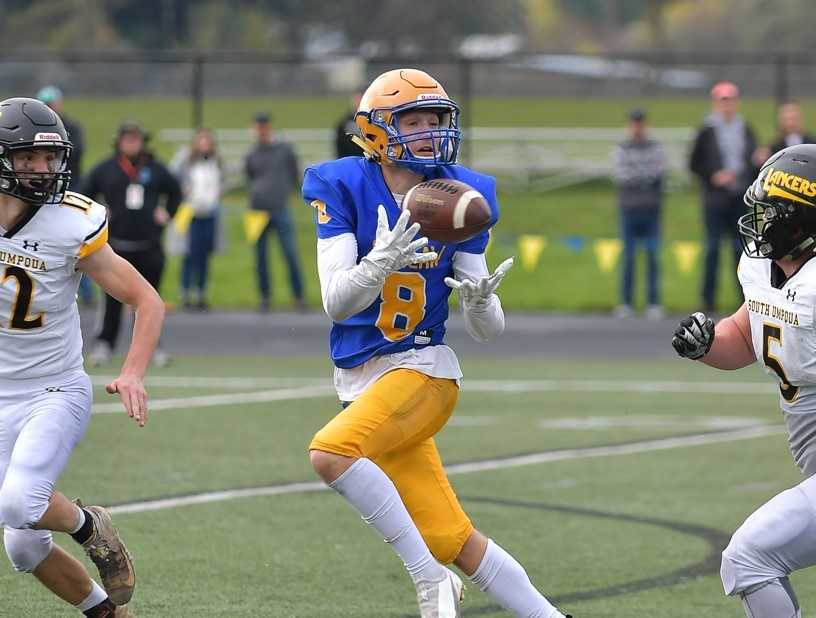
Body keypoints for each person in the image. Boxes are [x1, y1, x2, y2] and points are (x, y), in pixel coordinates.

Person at [302, 68, 571, 618]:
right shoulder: (341, 183)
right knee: (454, 537)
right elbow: (336, 302)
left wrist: (481, 302)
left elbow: (488, 330)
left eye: (436, 119)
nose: (429, 132)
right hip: (363, 379)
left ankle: (429, 580)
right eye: (413, 121)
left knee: (331, 453)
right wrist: (379, 263)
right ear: (376, 129)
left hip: (424, 369)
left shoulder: (463, 194)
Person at [0, 97, 165, 617]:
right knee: (23, 546)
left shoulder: (70, 223)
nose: (42, 169)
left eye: (50, 158)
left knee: (19, 503)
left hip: (52, 389)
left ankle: (91, 526)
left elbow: (147, 300)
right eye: (28, 157)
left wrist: (133, 372)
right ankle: (108, 614)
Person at [672, 143, 816, 618]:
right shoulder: (767, 271)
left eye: (772, 212)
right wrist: (707, 345)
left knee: (749, 558)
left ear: (801, 221)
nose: (760, 220)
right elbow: (746, 334)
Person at [81, 121, 181, 366]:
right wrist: (98, 213)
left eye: (136, 138)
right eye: (127, 138)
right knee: (112, 299)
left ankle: (152, 347)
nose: (131, 143)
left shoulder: (155, 169)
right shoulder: (106, 169)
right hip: (115, 247)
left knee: (149, 298)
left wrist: (167, 213)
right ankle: (105, 344)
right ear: (119, 142)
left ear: (143, 142)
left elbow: (176, 192)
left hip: (149, 245)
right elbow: (84, 193)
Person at [689, 81, 761, 312]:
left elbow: (753, 161)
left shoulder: (745, 128)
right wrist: (713, 175)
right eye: (722, 101)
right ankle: (707, 300)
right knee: (712, 248)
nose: (727, 105)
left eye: (730, 101)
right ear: (715, 103)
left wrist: (743, 174)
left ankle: (744, 301)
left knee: (740, 250)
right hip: (715, 199)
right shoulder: (706, 130)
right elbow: (694, 163)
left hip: (738, 196)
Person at [36, 85, 95, 306]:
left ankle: (86, 292)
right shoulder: (33, 129)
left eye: (51, 104)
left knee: (77, 239)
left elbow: (75, 153)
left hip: (69, 186)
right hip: (40, 188)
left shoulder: (70, 127)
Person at [244, 112, 306, 312]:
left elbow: (294, 173)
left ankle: (298, 296)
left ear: (269, 127)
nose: (260, 131)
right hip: (257, 211)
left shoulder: (284, 150)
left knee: (290, 253)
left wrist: (288, 192)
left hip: (280, 208)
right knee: (260, 257)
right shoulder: (252, 153)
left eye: (263, 126)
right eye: (257, 127)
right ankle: (265, 297)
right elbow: (250, 177)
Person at [611, 108, 667, 319]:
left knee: (652, 256)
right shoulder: (621, 148)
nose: (637, 127)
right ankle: (626, 302)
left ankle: (654, 302)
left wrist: (640, 174)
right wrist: (645, 175)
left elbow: (659, 171)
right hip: (629, 209)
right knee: (628, 257)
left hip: (651, 209)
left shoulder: (655, 147)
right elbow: (622, 175)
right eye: (634, 123)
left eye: (640, 123)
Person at [169, 128, 224, 311]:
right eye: (201, 141)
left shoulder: (216, 162)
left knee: (204, 255)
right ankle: (185, 292)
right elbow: (172, 176)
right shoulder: (186, 162)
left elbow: (220, 182)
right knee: (189, 254)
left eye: (207, 141)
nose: (204, 145)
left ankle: (201, 292)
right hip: (190, 213)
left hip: (210, 213)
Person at [334, 92, 365, 159]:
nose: (358, 103)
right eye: (357, 100)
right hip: (348, 157)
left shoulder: (369, 120)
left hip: (365, 159)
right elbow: (340, 142)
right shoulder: (345, 122)